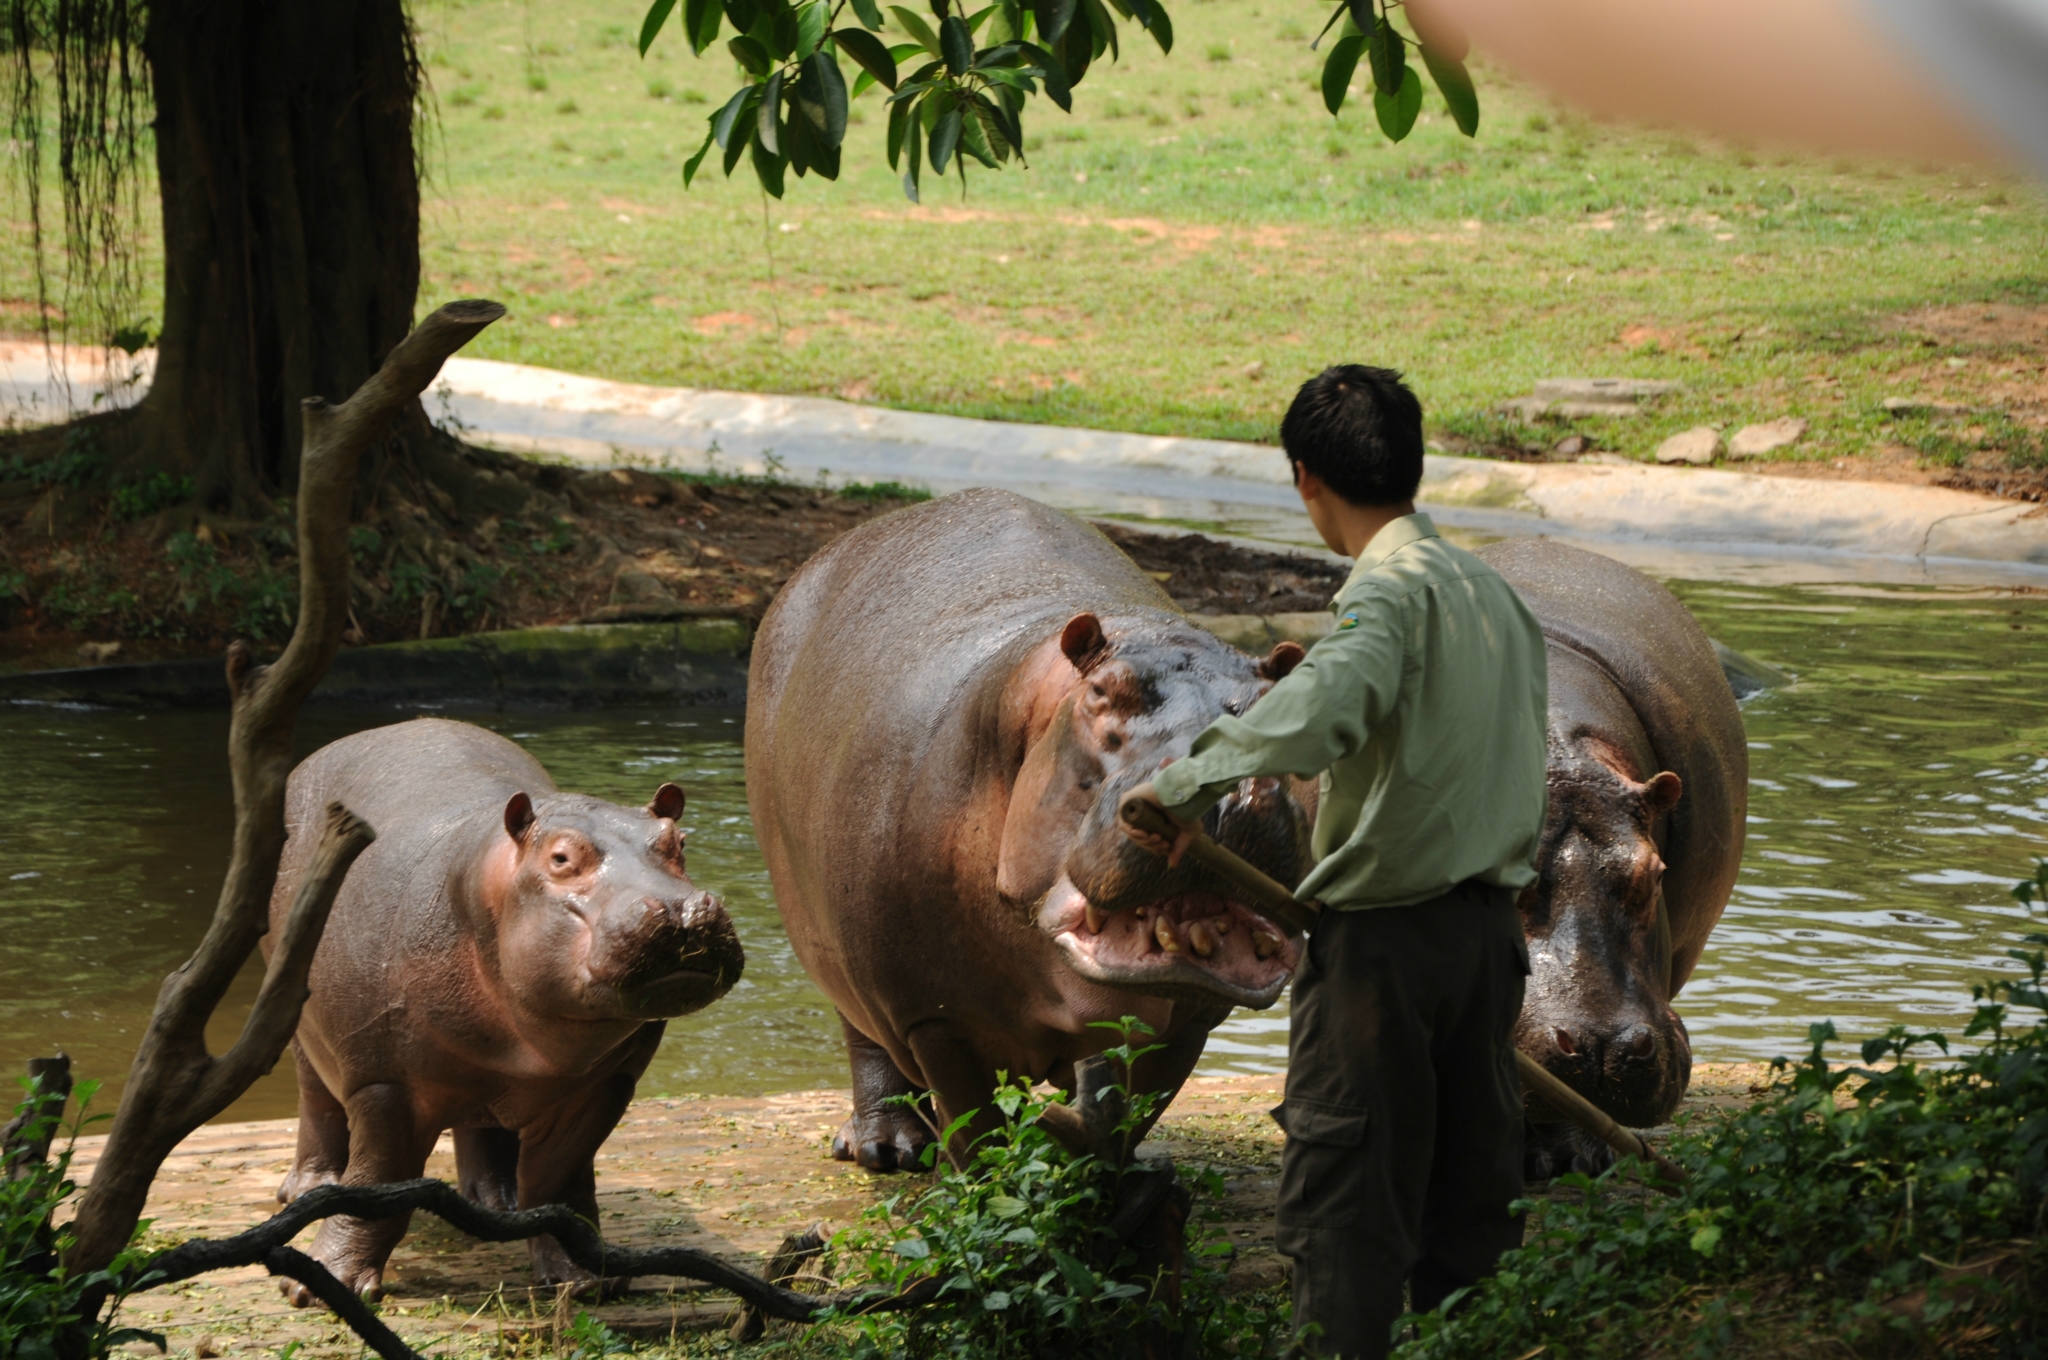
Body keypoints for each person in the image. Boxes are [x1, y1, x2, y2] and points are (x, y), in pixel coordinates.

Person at [1118, 365, 1550, 1360]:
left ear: (1305, 478)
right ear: (1409, 464)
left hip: (1382, 957)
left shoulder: (1385, 597)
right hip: (1488, 945)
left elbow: (1317, 715)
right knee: (1470, 1209)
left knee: (1345, 1212)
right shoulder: (1493, 596)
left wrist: (1184, 784)